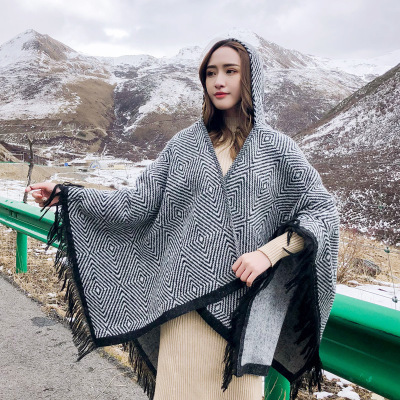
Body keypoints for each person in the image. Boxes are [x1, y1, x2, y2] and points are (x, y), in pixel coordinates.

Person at [25, 37, 339, 400]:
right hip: (183, 307)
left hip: (245, 313)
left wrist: (268, 254)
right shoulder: (183, 145)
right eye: (210, 73)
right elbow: (137, 203)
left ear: (251, 78)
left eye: (230, 71)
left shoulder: (277, 148)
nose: (218, 81)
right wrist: (68, 194)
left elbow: (322, 210)